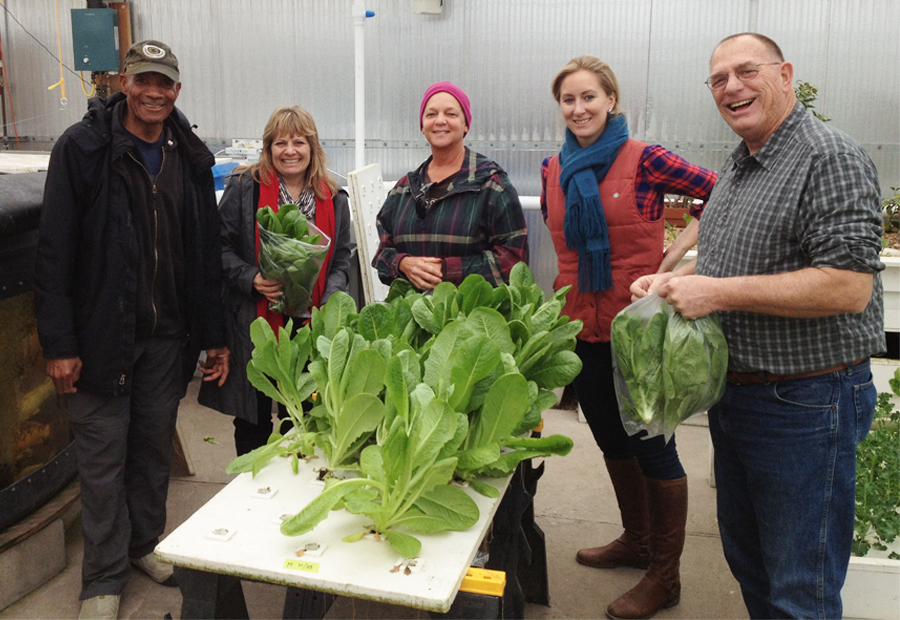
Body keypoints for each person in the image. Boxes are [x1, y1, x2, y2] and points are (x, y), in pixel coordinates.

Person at [632, 33, 884, 619]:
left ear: (785, 74)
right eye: (718, 79)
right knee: (753, 567)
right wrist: (672, 282)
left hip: (805, 402)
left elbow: (848, 285)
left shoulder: (830, 158)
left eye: (746, 71)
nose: (731, 87)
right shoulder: (744, 162)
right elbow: (724, 257)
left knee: (801, 587)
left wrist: (712, 293)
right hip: (742, 399)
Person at [33, 40, 230, 619]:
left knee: (150, 449)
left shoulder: (188, 154)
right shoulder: (83, 148)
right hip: (99, 339)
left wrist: (211, 332)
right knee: (100, 458)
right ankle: (101, 579)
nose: (153, 92)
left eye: (164, 83)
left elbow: (203, 253)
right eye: (143, 80)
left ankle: (144, 544)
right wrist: (61, 343)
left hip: (166, 339)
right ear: (124, 82)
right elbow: (54, 252)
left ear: (176, 90)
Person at [542, 56, 717, 620]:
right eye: (569, 100)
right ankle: (636, 541)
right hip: (582, 330)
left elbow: (722, 195)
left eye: (589, 97)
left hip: (638, 330)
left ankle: (665, 576)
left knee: (653, 445)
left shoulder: (646, 159)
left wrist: (675, 261)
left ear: (610, 99)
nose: (579, 108)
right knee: (612, 440)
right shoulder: (554, 168)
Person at [198, 106, 352, 456]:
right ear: (268, 148)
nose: (290, 151)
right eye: (280, 142)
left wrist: (330, 298)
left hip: (310, 326)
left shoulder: (333, 197)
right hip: (255, 323)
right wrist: (251, 277)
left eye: (299, 142)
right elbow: (216, 248)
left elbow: (341, 258)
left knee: (304, 416)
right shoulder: (244, 189)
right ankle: (252, 489)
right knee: (252, 420)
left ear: (312, 147)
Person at [372, 81, 528, 289]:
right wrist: (403, 264)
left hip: (473, 317)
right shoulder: (403, 190)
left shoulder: (492, 185)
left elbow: (514, 260)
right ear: (422, 126)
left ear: (465, 125)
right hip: (411, 317)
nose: (440, 121)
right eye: (431, 114)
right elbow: (383, 254)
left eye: (451, 114)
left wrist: (448, 271)